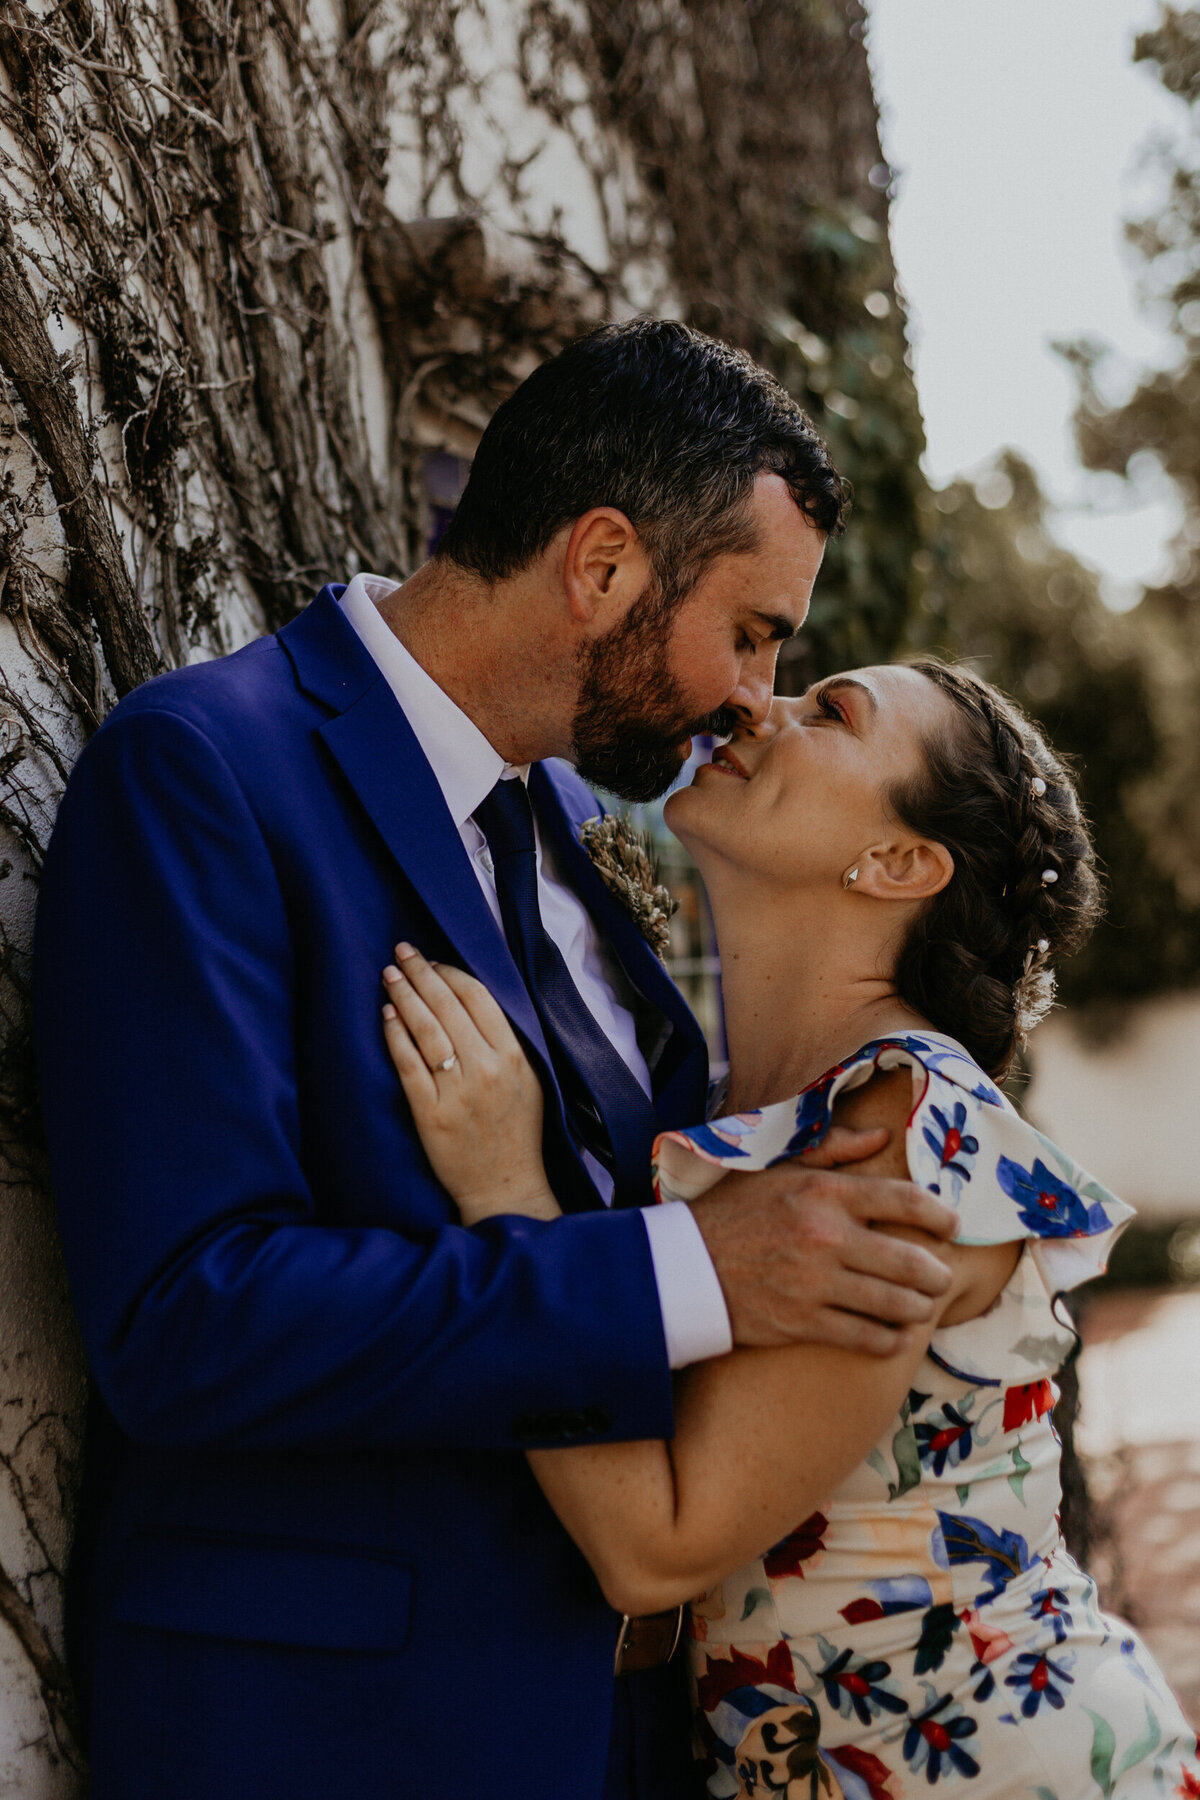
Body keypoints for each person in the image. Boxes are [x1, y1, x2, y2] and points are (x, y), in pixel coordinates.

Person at [33, 321, 961, 1800]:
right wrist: (687, 1270)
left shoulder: (554, 844)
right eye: (755, 632)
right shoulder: (206, 770)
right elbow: (185, 1321)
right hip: (334, 1743)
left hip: (611, 1745)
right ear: (601, 566)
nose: (753, 695)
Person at [378, 659, 1200, 1800]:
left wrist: (510, 1191)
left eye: (833, 714)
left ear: (900, 863)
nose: (761, 704)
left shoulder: (906, 1134)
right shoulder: (732, 1111)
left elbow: (656, 1546)